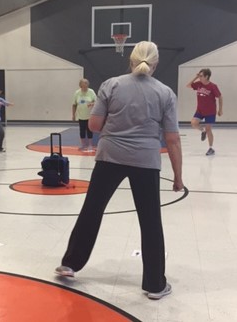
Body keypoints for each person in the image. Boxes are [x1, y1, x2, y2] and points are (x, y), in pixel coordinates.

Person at [55, 41, 184, 300]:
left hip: (109, 157)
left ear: (130, 60)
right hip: (145, 162)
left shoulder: (111, 85)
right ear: (155, 64)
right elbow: (172, 139)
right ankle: (155, 285)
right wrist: (178, 177)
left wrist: (117, 129)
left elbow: (93, 125)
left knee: (92, 210)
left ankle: (70, 264)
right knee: (150, 221)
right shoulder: (165, 93)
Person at [186, 68, 223, 156]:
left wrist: (220, 109)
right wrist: (195, 77)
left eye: (201, 76)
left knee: (209, 129)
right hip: (200, 110)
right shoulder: (198, 84)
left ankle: (211, 148)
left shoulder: (213, 86)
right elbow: (188, 85)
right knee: (193, 123)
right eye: (199, 76)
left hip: (210, 111)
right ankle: (203, 131)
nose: (200, 77)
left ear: (207, 76)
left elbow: (220, 97)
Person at [72, 78, 97, 151]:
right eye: (84, 85)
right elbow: (74, 105)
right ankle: (83, 145)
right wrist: (73, 115)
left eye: (86, 84)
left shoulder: (91, 92)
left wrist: (92, 103)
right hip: (81, 115)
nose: (85, 86)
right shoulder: (77, 93)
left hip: (90, 116)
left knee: (89, 130)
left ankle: (90, 145)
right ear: (81, 86)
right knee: (82, 130)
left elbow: (97, 102)